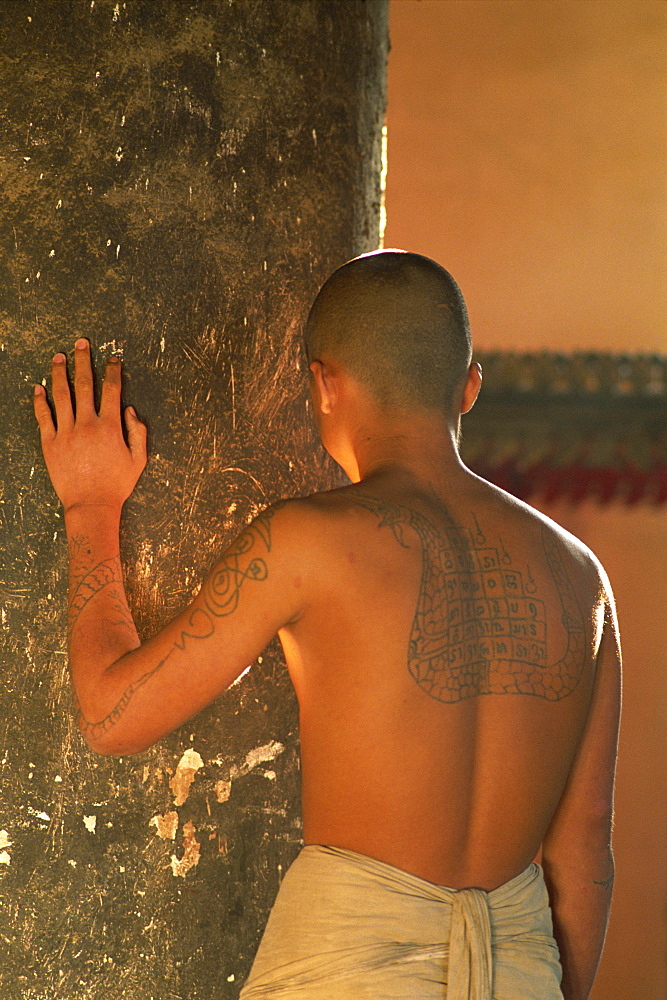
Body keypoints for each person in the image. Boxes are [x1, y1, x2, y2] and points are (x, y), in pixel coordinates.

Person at [33, 250, 621, 1000]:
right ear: (468, 387)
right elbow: (587, 846)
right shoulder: (580, 575)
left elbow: (113, 715)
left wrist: (89, 505)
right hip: (521, 976)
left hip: (348, 973)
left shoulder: (307, 541)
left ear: (323, 383)